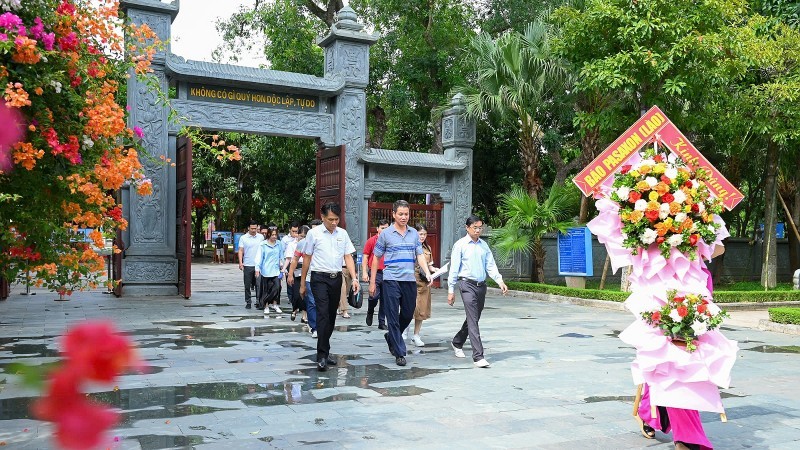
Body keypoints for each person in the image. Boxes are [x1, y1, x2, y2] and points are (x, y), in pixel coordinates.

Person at [635, 244, 726, 450]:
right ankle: (686, 436)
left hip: (694, 283)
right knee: (666, 357)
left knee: (684, 359)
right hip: (659, 281)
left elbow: (719, 248)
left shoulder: (710, 214)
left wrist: (693, 246)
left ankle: (651, 413)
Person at [369, 200, 433, 367]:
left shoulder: (413, 234)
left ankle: (391, 336)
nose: (404, 217)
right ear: (393, 214)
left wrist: (426, 272)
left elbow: (419, 255)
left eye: (406, 214)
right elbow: (376, 257)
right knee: (392, 317)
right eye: (401, 214)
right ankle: (399, 352)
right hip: (390, 279)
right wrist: (372, 282)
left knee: (407, 313)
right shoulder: (386, 234)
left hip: (409, 280)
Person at [299, 204, 359, 371]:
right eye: (330, 219)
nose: (334, 223)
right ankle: (322, 355)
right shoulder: (314, 234)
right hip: (319, 278)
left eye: (336, 219)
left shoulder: (343, 234)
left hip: (336, 278)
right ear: (323, 217)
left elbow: (348, 256)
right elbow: (307, 258)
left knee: (331, 316)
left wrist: (354, 278)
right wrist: (303, 283)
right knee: (323, 314)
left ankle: (325, 350)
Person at [446, 214, 508, 368]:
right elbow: (454, 269)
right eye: (475, 227)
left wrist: (500, 281)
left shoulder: (483, 246)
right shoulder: (460, 245)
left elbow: (491, 265)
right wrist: (450, 290)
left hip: (481, 286)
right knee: (473, 319)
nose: (478, 230)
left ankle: (457, 341)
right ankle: (478, 356)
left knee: (473, 318)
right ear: (467, 228)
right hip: (466, 285)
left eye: (480, 227)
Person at [289, 220, 322, 337]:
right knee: (312, 301)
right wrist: (290, 274)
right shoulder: (303, 243)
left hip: (325, 276)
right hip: (309, 276)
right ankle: (315, 328)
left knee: (323, 303)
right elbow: (295, 259)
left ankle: (322, 325)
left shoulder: (328, 241)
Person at [411, 223, 438, 347]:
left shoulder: (427, 248)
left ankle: (416, 335)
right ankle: (404, 330)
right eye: (420, 234)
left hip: (424, 282)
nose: (422, 236)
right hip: (411, 280)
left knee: (421, 309)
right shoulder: (410, 246)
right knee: (409, 307)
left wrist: (435, 270)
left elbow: (429, 265)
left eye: (425, 234)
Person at [362, 219, 389, 329]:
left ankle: (381, 322)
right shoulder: (372, 241)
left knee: (385, 298)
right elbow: (365, 257)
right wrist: (364, 272)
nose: (384, 230)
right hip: (375, 272)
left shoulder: (391, 241)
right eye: (382, 228)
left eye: (387, 228)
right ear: (377, 229)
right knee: (374, 296)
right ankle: (370, 310)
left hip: (388, 272)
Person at [254, 226, 283, 313]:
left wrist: (282, 267)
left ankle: (275, 304)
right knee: (266, 289)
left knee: (277, 287)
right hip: (266, 270)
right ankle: (266, 306)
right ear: (269, 234)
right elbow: (259, 257)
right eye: (272, 234)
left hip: (276, 270)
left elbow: (281, 256)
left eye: (275, 234)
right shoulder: (263, 244)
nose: (274, 236)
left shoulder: (279, 243)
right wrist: (257, 268)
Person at [238, 221, 264, 309]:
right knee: (247, 285)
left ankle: (259, 301)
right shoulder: (243, 238)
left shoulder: (261, 237)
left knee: (259, 284)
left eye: (255, 228)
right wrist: (241, 263)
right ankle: (248, 301)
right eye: (252, 228)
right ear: (248, 228)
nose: (254, 230)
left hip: (258, 265)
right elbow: (241, 251)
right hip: (248, 264)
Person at [286, 225, 308, 323]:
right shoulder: (292, 244)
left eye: (304, 236)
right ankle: (294, 310)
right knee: (296, 293)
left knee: (305, 293)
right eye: (301, 236)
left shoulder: (310, 244)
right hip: (296, 269)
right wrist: (288, 273)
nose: (302, 238)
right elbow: (291, 259)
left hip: (307, 269)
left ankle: (304, 315)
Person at [282, 221, 299, 309]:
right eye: (293, 231)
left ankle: (297, 299)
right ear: (290, 230)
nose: (295, 233)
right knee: (290, 281)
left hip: (299, 264)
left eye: (296, 231)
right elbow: (282, 252)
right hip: (289, 262)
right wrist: (283, 266)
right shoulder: (285, 239)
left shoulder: (302, 239)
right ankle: (291, 297)